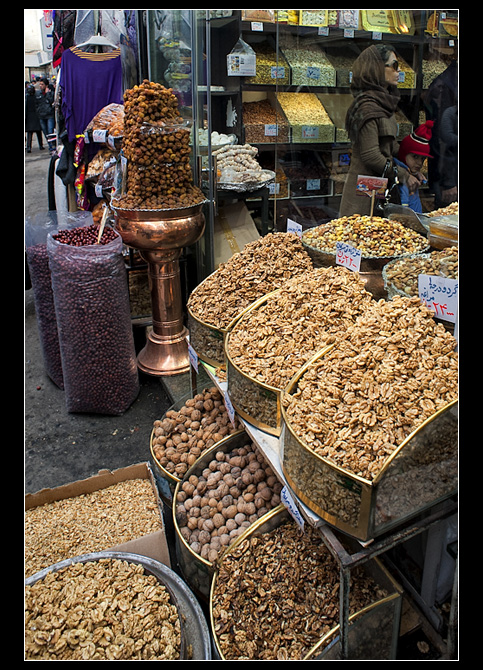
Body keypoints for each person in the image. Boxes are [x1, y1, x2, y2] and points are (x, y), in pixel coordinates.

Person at [340, 43, 422, 217]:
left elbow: (390, 145)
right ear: (376, 68)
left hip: (379, 186)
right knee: (362, 230)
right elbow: (371, 156)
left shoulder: (384, 103)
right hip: (364, 191)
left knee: (379, 230)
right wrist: (403, 174)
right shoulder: (367, 107)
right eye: (394, 66)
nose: (399, 71)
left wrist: (411, 164)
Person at [394, 120, 434, 213]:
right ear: (404, 154)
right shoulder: (402, 180)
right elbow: (404, 212)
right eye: (415, 157)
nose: (419, 163)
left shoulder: (412, 175)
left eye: (423, 159)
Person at [35, 77, 56, 154]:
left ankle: (53, 147)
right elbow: (36, 104)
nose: (41, 86)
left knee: (50, 131)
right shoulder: (38, 94)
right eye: (40, 84)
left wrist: (47, 94)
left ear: (46, 85)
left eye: (42, 84)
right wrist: (38, 111)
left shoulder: (51, 93)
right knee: (45, 132)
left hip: (49, 115)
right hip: (41, 115)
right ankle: (50, 146)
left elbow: (52, 101)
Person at [25, 85, 44, 153]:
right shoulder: (36, 97)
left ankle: (29, 147)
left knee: (30, 133)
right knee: (38, 132)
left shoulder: (27, 98)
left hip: (30, 116)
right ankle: (40, 145)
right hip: (36, 115)